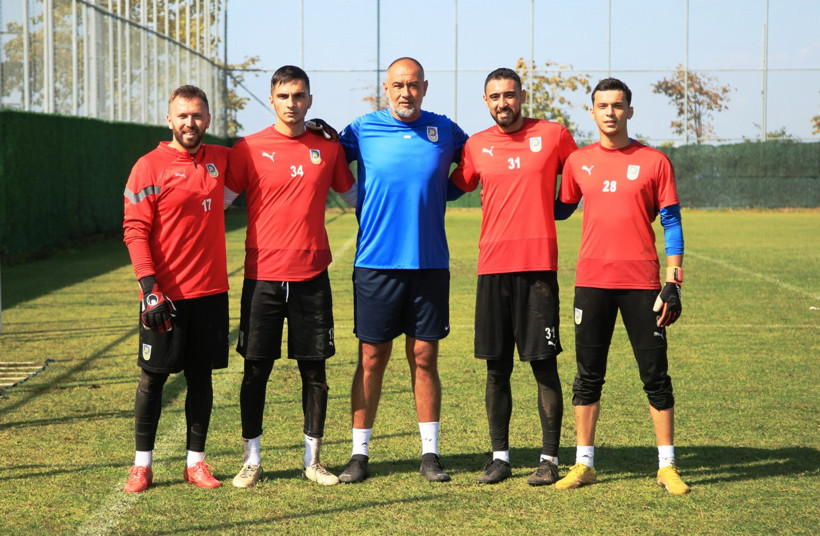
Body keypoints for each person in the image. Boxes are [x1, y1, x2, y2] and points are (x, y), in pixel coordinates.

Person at [554, 78, 690, 495]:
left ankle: (666, 465)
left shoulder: (654, 161)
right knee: (587, 376)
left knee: (655, 375)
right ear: (590, 111)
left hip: (642, 284)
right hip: (591, 282)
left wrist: (673, 280)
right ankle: (583, 464)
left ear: (630, 111)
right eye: (602, 105)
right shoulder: (578, 162)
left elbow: (670, 221)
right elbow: (560, 209)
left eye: (617, 105)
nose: (610, 112)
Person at [336, 57, 468, 483]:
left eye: (412, 85)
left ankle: (429, 454)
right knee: (372, 357)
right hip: (375, 264)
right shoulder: (361, 129)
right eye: (397, 85)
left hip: (429, 263)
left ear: (424, 88)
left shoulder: (444, 129)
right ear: (385, 88)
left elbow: (478, 160)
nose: (405, 93)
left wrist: (445, 190)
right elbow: (326, 159)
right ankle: (359, 454)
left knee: (424, 357)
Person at [224, 66, 355, 488]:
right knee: (255, 370)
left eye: (299, 96)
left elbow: (359, 198)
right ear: (272, 99)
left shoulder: (328, 149)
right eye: (284, 96)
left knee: (314, 372)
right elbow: (216, 204)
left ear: (310, 100)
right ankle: (252, 460)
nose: (292, 103)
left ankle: (313, 460)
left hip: (312, 275)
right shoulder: (247, 148)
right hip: (262, 276)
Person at [449, 68, 578, 485]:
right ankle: (500, 457)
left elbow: (574, 184)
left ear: (522, 96)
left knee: (543, 366)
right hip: (492, 269)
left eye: (509, 94)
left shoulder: (554, 135)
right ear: (485, 102)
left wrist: (550, 210)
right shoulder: (476, 145)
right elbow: (453, 185)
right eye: (494, 97)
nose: (502, 102)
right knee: (496, 369)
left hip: (538, 270)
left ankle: (550, 459)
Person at [122, 85, 229, 493]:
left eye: (198, 115)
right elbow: (135, 231)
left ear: (207, 119)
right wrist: (149, 289)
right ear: (169, 120)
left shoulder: (221, 158)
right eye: (182, 115)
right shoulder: (148, 166)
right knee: (153, 379)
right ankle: (141, 465)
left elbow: (267, 155)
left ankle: (195, 463)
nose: (190, 122)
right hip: (163, 296)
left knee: (202, 379)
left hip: (210, 293)